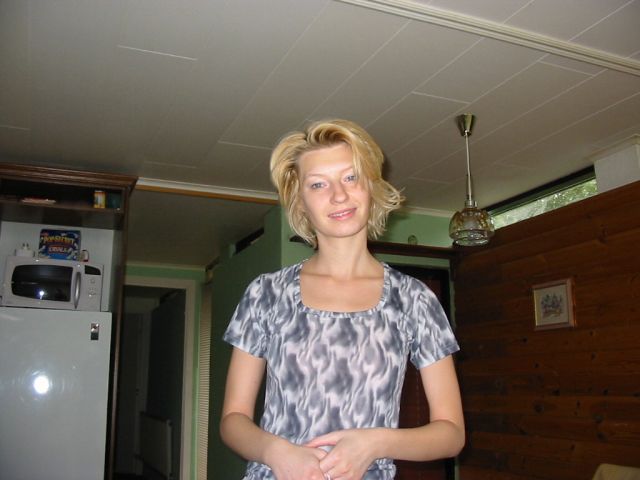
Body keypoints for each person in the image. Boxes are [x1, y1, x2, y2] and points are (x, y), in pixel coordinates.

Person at [220, 119, 464, 480]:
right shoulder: (266, 293)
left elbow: (451, 434)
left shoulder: (414, 299)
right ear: (300, 201)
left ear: (371, 187)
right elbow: (233, 420)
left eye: (351, 177)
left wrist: (375, 443)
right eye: (318, 184)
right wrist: (276, 452)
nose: (338, 195)